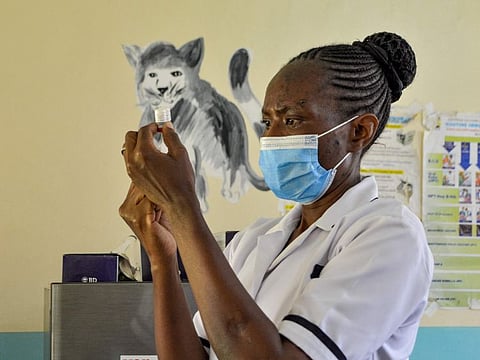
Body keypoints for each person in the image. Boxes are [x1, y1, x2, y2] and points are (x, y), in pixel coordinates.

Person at [120, 31, 433, 360]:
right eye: (267, 122)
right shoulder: (254, 240)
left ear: (358, 132)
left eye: (292, 120)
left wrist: (184, 205)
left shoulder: (389, 236)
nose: (270, 138)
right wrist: (162, 260)